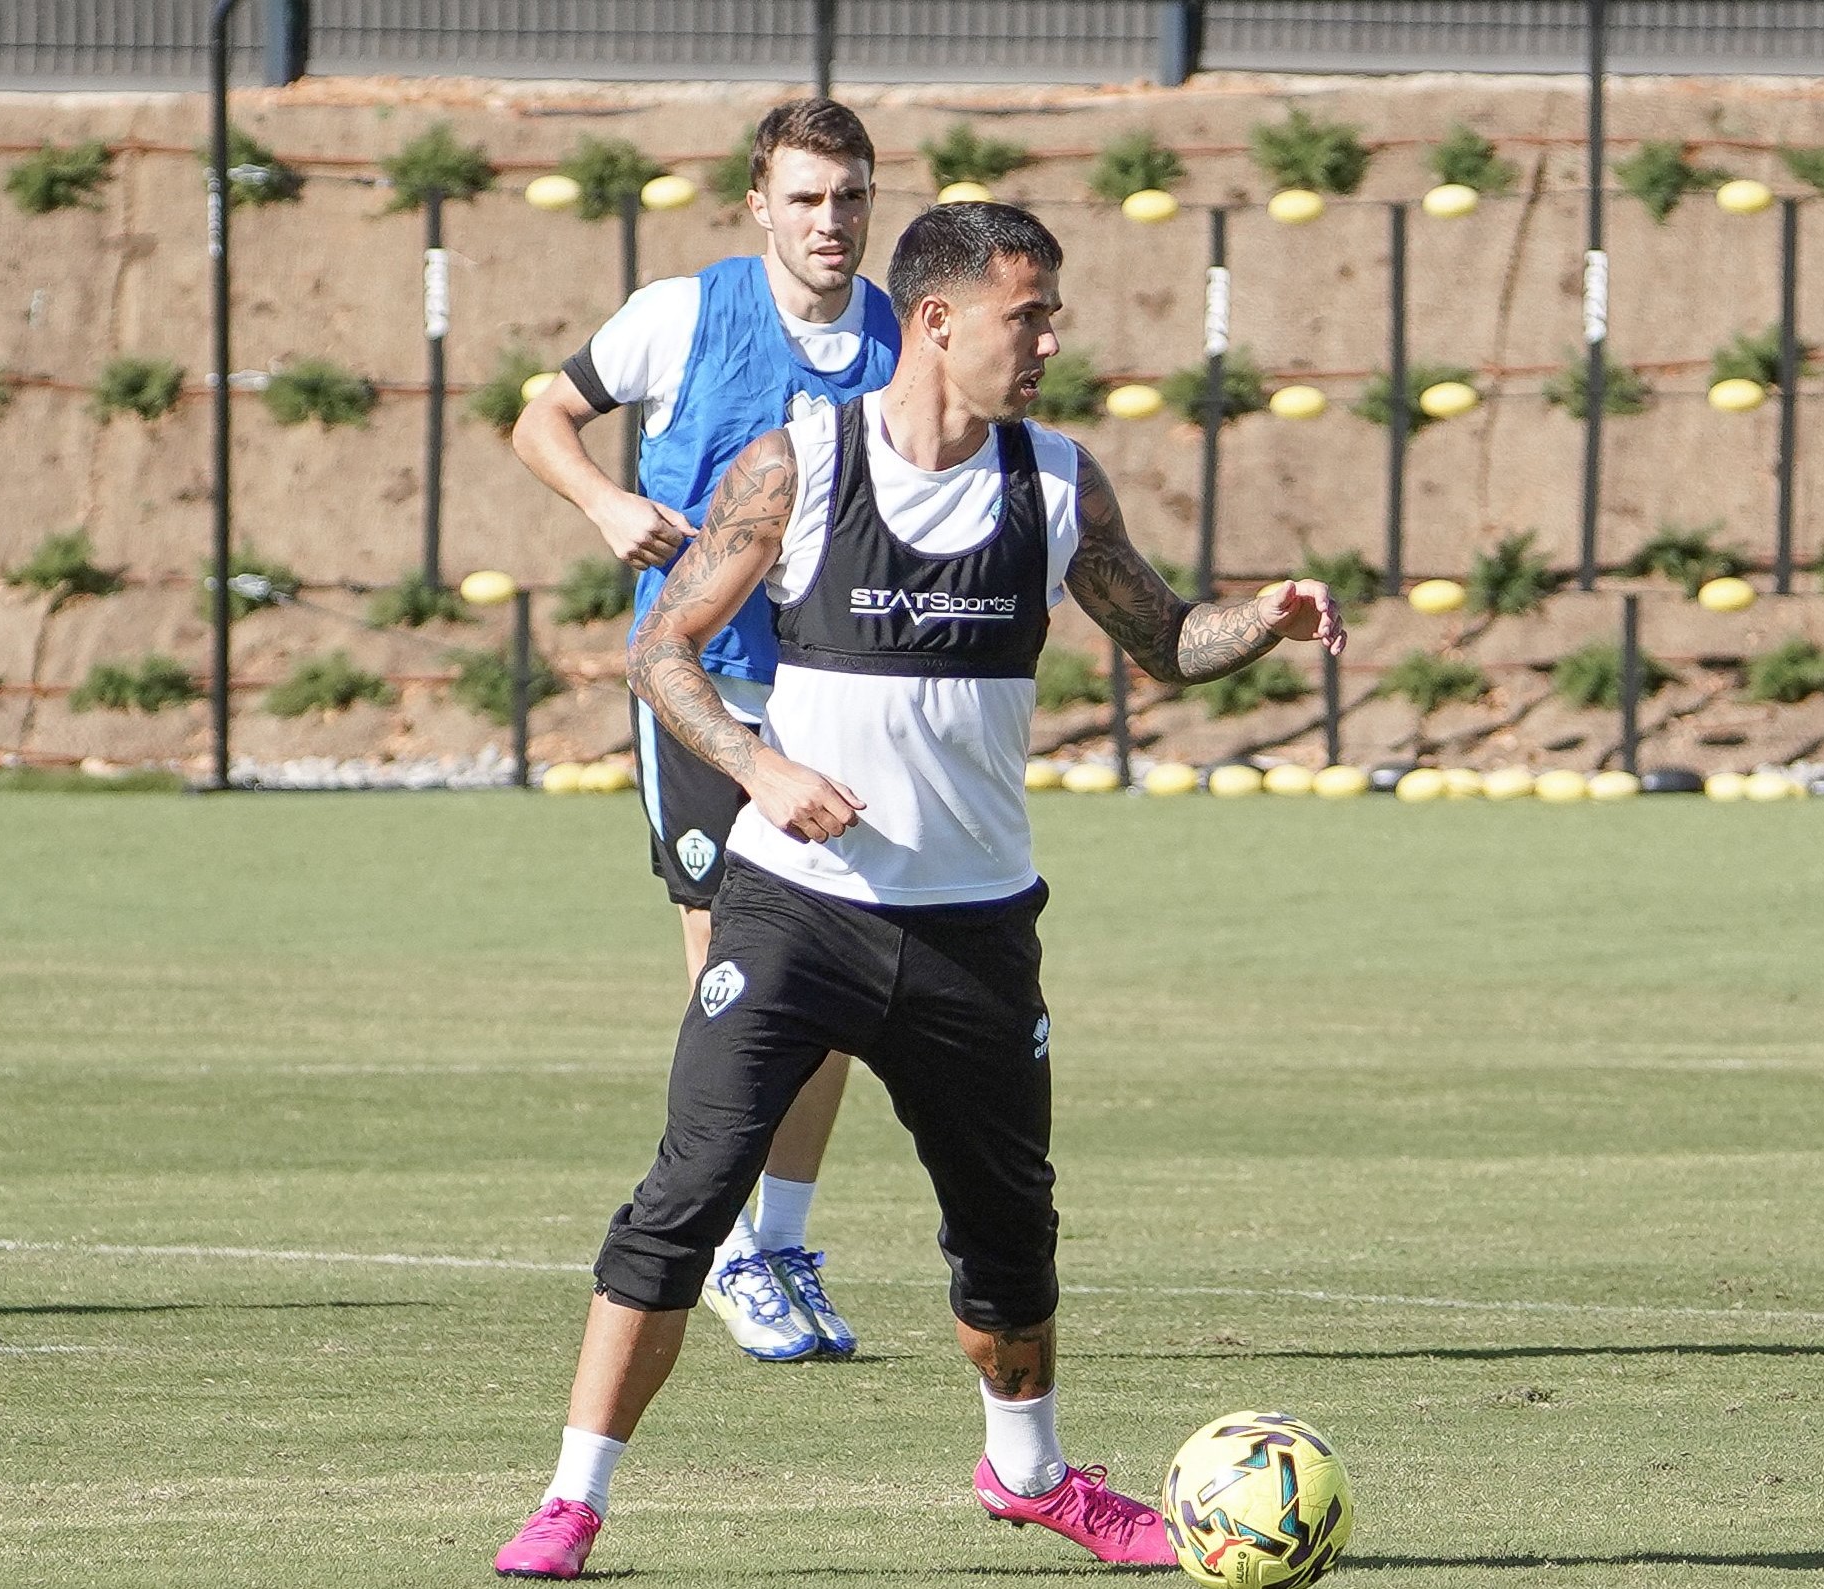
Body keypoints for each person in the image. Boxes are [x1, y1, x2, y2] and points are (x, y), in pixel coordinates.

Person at [493, 200, 1346, 1580]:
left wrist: (1264, 616)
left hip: (974, 933)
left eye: (1050, 314)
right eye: (1029, 315)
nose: (1050, 340)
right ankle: (571, 1502)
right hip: (792, 913)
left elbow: (1166, 641)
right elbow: (661, 654)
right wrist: (757, 767)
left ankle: (1029, 1477)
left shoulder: (1057, 481)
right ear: (938, 320)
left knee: (1007, 1235)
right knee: (683, 1193)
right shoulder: (800, 464)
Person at [510, 98, 895, 1365]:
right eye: (803, 197)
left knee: (834, 994)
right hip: (701, 694)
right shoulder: (680, 313)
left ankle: (776, 1242)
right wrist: (605, 501)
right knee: (737, 985)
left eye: (847, 196)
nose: (828, 221)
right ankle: (726, 1249)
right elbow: (538, 416)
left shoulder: (899, 331)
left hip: (833, 703)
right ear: (757, 203)